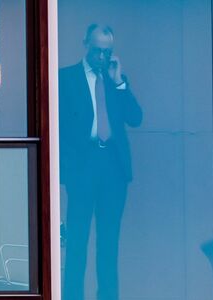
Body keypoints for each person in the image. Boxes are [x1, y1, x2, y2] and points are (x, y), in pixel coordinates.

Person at [60, 24, 143, 300]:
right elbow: (58, 127)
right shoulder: (66, 78)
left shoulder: (115, 79)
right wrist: (64, 169)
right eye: (97, 51)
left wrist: (119, 82)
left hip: (113, 168)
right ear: (86, 44)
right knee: (77, 242)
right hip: (82, 166)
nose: (101, 58)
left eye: (107, 52)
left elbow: (135, 118)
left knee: (108, 244)